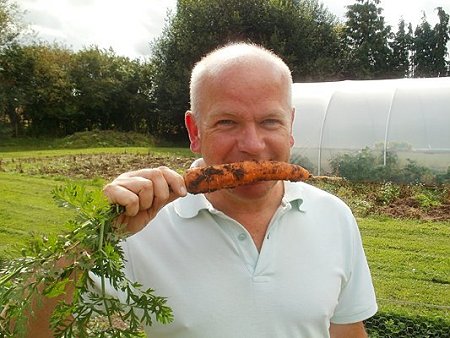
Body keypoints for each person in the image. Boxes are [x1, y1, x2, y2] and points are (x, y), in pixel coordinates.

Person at [28, 42, 378, 337]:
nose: (253, 145)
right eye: (227, 122)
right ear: (194, 131)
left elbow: (346, 330)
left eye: (270, 121)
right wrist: (97, 236)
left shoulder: (335, 217)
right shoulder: (141, 227)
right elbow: (30, 328)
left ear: (291, 127)